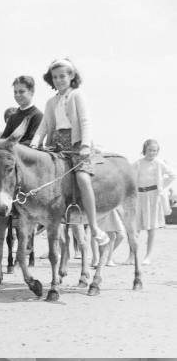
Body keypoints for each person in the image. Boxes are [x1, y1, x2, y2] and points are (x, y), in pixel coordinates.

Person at [31, 58, 110, 246]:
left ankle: (93, 226)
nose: (58, 80)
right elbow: (43, 127)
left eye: (62, 76)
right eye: (55, 77)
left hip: (76, 144)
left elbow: (85, 121)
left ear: (71, 76)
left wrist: (84, 144)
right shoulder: (51, 101)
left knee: (82, 178)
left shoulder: (77, 95)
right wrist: (34, 144)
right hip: (56, 144)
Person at [130, 139, 176, 265]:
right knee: (136, 228)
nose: (152, 153)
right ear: (145, 150)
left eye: (155, 151)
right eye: (150, 150)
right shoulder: (138, 163)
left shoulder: (159, 163)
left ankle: (148, 256)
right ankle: (132, 256)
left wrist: (161, 188)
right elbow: (129, 177)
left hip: (154, 197)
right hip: (139, 196)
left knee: (151, 228)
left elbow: (172, 175)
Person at [1, 76, 43, 145]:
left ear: (32, 92)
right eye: (15, 92)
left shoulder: (38, 116)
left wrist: (10, 144)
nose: (17, 95)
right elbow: (3, 138)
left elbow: (33, 141)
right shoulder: (12, 117)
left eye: (21, 92)